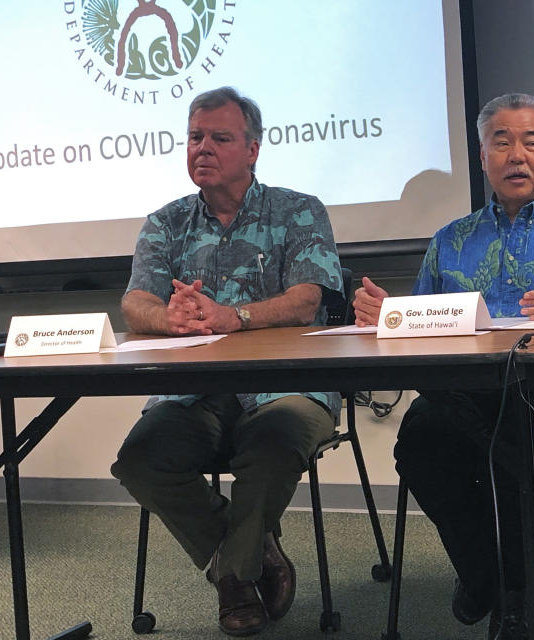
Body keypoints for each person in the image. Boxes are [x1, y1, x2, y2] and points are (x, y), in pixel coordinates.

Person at [353, 93, 534, 639]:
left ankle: (512, 596)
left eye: (531, 142)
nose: (516, 154)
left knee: (513, 437)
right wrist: (383, 316)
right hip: (465, 394)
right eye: (501, 142)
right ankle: (487, 576)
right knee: (419, 443)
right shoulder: (450, 241)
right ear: (481, 156)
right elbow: (416, 326)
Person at [111, 86, 342, 637]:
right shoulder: (165, 223)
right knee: (141, 458)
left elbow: (308, 297)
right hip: (195, 393)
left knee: (273, 444)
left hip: (287, 388)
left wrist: (232, 317)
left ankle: (234, 580)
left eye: (219, 137)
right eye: (195, 137)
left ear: (253, 149)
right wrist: (171, 319)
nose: (203, 148)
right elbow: (134, 301)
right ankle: (253, 555)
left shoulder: (298, 211)